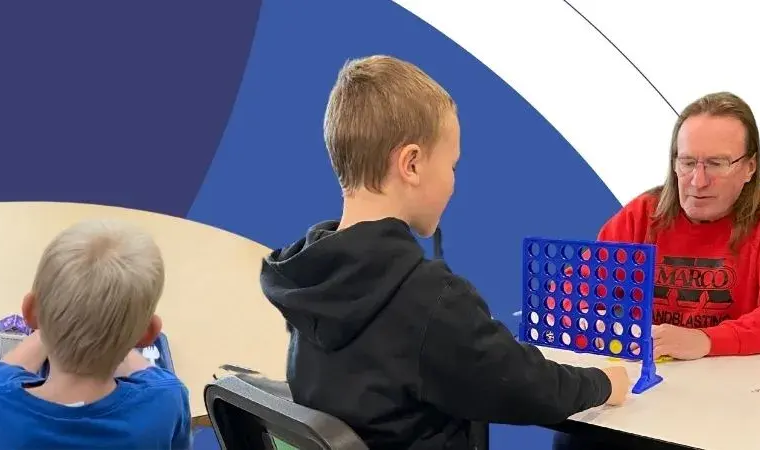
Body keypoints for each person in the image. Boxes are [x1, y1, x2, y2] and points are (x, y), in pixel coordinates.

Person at [258, 55, 630, 449]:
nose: (453, 183)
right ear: (412, 164)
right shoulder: (426, 298)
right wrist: (605, 382)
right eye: (451, 165)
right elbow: (527, 386)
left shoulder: (310, 277)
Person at [595, 92, 760, 360]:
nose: (698, 181)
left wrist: (706, 340)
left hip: (743, 383)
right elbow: (574, 291)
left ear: (750, 167)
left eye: (717, 164)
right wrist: (595, 322)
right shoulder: (642, 214)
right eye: (688, 163)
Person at [0, 220, 191, 449]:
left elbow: (0, 373)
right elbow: (156, 380)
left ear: (30, 312)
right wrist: (116, 332)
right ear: (148, 334)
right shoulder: (165, 402)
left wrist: (53, 324)